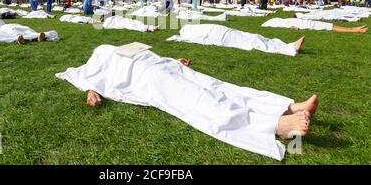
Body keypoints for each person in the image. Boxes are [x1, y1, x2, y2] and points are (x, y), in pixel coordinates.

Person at [57, 44, 318, 161]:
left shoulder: (110, 48)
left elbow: (143, 53)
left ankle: (286, 106)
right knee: (197, 98)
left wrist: (173, 61)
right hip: (146, 79)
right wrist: (91, 92)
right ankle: (276, 125)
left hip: (159, 64)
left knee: (218, 86)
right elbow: (85, 77)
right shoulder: (93, 63)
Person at [167, 24, 306, 57]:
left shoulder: (192, 29)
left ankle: (288, 46)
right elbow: (203, 39)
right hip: (223, 37)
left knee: (255, 36)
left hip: (224, 31)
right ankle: (289, 48)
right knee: (253, 40)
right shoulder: (189, 35)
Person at [262, 18, 368, 33]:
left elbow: (285, 24)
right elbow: (286, 25)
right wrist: (293, 27)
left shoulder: (274, 21)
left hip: (304, 22)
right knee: (330, 26)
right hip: (306, 24)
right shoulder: (274, 22)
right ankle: (355, 30)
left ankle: (355, 29)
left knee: (330, 25)